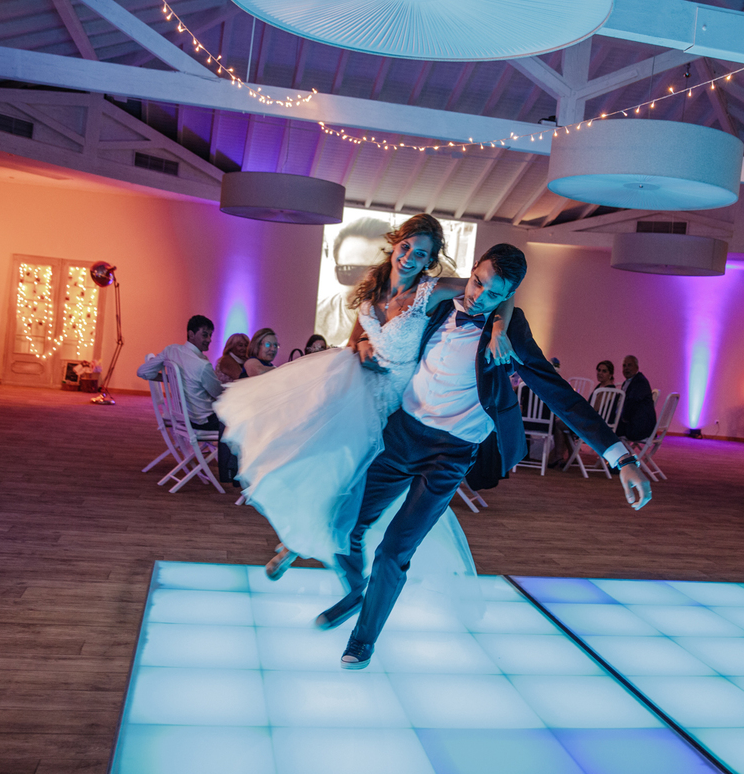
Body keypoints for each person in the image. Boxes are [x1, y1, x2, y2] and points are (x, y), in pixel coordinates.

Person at [316, 243, 652, 670]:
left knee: (395, 550)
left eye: (494, 295)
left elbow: (561, 396)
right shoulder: (438, 304)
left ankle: (363, 639)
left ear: (508, 297)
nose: (479, 297)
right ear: (471, 270)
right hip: (401, 436)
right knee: (346, 522)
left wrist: (621, 458)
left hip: (450, 455)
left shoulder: (510, 331)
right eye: (477, 284)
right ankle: (356, 589)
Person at [217, 213, 515, 582]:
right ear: (395, 244)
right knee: (315, 456)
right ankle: (296, 539)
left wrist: (499, 326)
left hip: (394, 403)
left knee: (355, 483)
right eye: (405, 248)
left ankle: (306, 550)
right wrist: (360, 344)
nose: (409, 258)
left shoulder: (431, 290)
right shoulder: (372, 288)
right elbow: (354, 338)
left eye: (421, 255)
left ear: (430, 260)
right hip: (356, 389)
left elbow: (501, 291)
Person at [314, 217, 392, 347]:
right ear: (335, 273)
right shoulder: (315, 317)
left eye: (379, 273)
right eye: (350, 272)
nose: (366, 283)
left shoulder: (406, 316)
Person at [135, 315, 222, 431]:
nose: (209, 339)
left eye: (210, 335)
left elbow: (142, 371)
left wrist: (171, 378)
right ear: (191, 334)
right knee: (242, 418)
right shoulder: (202, 365)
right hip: (203, 421)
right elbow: (219, 394)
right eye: (205, 335)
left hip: (184, 417)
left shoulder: (171, 350)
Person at [616, 355, 656, 441]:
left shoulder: (640, 382)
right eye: (624, 366)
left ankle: (610, 453)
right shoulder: (628, 382)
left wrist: (620, 417)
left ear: (637, 367)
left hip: (639, 426)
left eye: (629, 365)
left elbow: (632, 403)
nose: (626, 368)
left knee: (607, 427)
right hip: (633, 422)